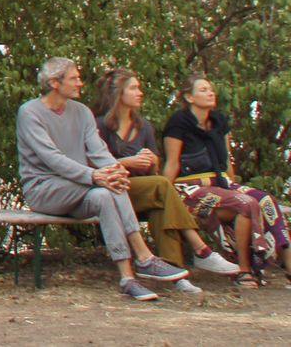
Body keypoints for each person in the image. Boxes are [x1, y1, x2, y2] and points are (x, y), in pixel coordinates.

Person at [17, 57, 192, 301]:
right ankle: (144, 256)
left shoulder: (82, 112)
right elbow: (52, 158)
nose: (80, 83)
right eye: (74, 78)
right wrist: (94, 175)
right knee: (106, 185)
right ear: (55, 83)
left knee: (107, 192)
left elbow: (98, 151)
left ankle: (128, 277)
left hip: (80, 189)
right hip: (45, 189)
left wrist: (115, 170)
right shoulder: (30, 112)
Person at [88, 67, 241, 286]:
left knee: (161, 208)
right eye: (134, 88)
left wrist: (152, 161)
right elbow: (90, 164)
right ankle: (201, 250)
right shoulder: (100, 125)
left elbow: (154, 172)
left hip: (144, 191)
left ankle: (177, 274)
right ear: (119, 94)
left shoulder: (144, 127)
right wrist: (127, 162)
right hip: (112, 189)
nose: (140, 92)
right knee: (162, 186)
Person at [161, 72, 291, 288]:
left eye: (211, 89)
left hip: (222, 184)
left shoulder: (219, 120)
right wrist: (165, 194)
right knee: (245, 204)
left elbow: (227, 160)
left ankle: (288, 266)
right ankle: (243, 269)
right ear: (189, 97)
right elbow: (172, 163)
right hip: (191, 188)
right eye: (203, 90)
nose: (210, 93)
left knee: (266, 200)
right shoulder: (178, 122)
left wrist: (233, 186)